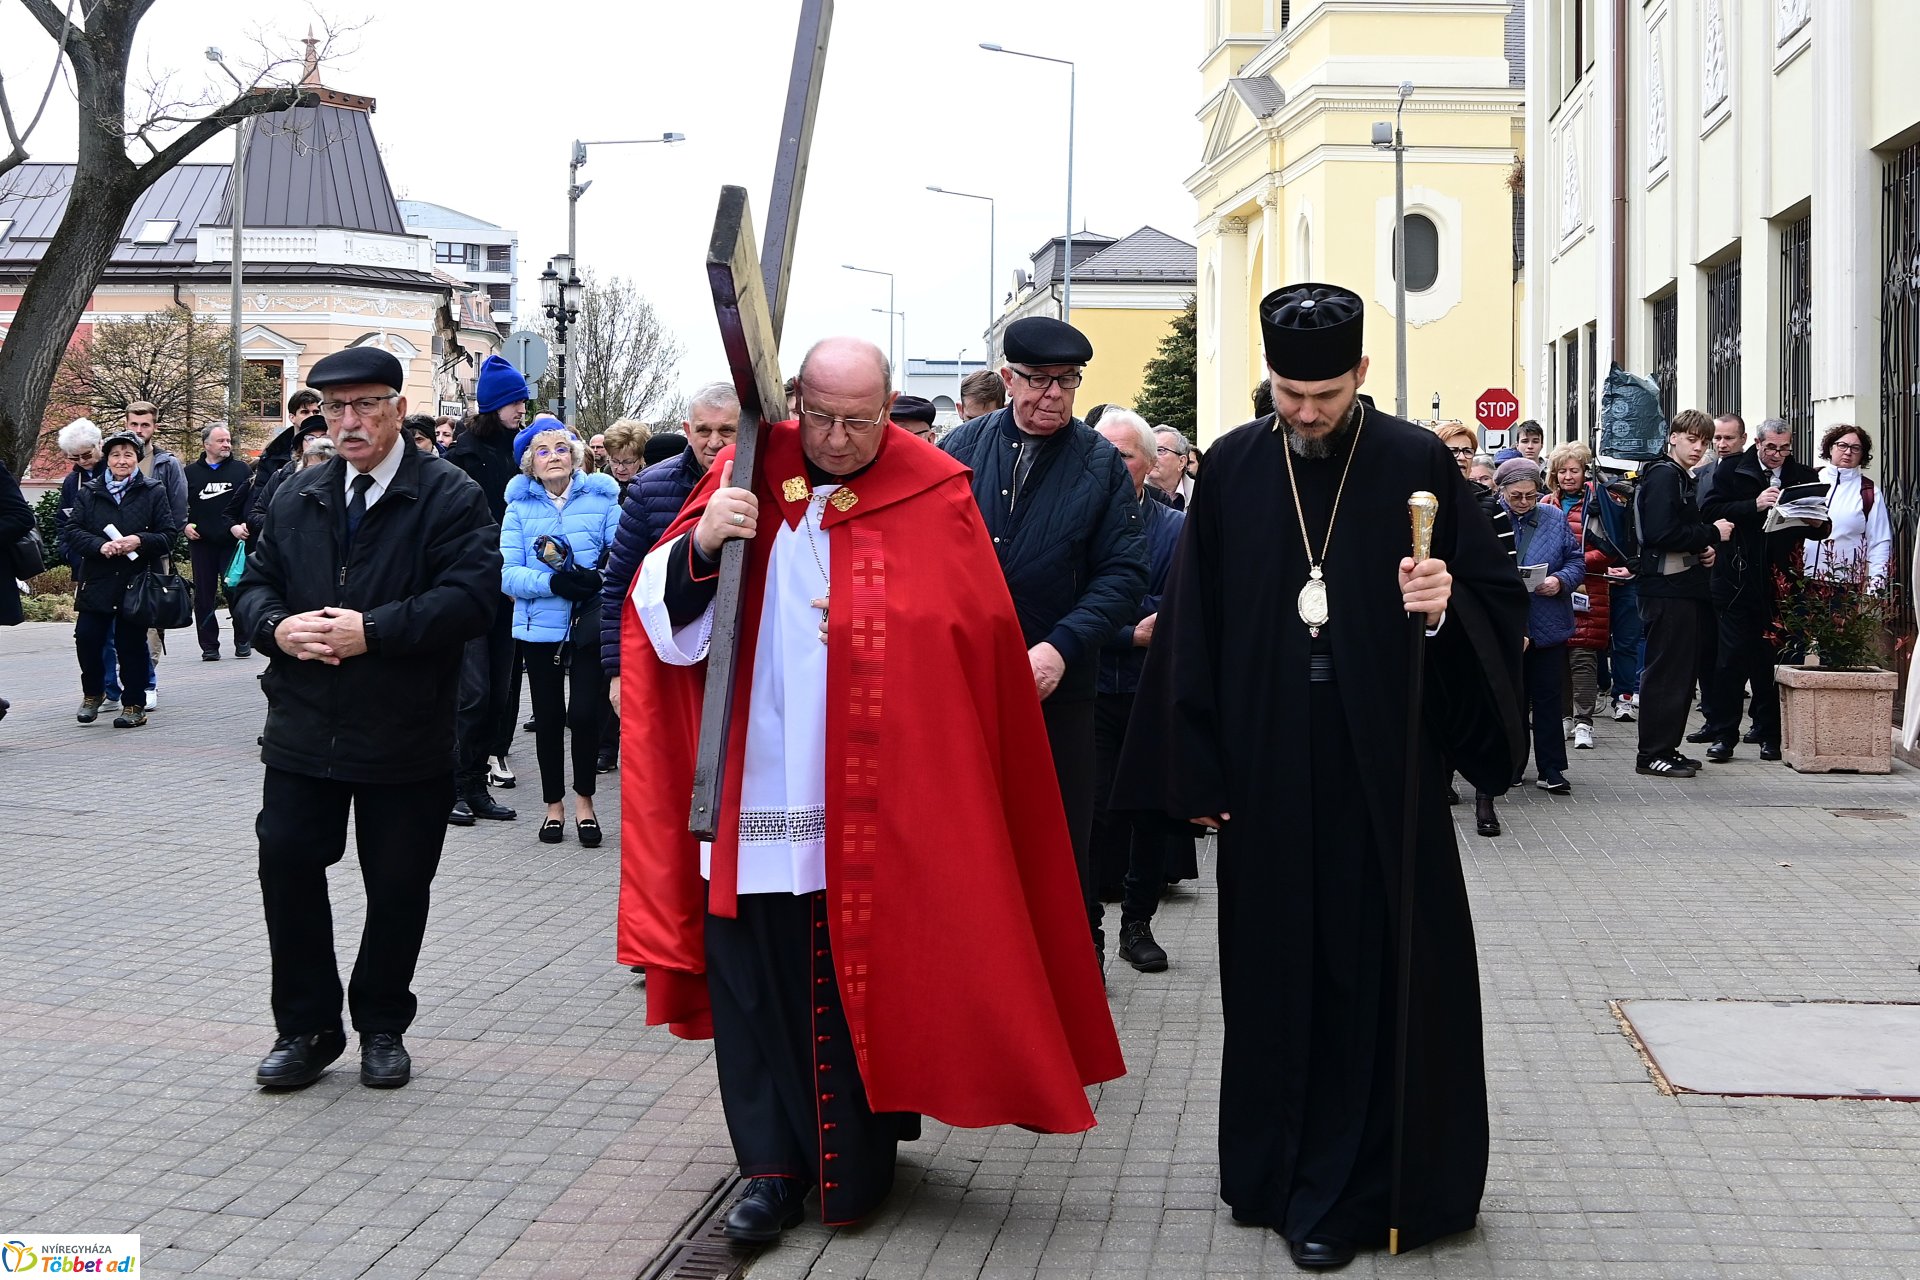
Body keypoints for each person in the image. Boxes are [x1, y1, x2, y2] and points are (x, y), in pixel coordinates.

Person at [618, 336, 1123, 1243]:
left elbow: (972, 630)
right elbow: (658, 614)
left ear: (890, 409)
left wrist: (875, 622)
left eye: (860, 421)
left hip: (876, 790)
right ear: (794, 402)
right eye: (821, 418)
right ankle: (769, 1169)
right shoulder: (747, 468)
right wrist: (704, 540)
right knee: (753, 978)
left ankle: (856, 1155)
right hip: (755, 778)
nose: (839, 439)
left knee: (857, 974)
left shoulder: (930, 486)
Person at [1117, 281, 1525, 1269]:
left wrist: (1441, 605)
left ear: (1362, 375)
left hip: (1382, 759)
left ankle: (1359, 1187)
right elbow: (1196, 621)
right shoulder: (1234, 465)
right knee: (1272, 970)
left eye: (1325, 396)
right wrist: (1196, 767)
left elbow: (1491, 600)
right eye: (1289, 393)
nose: (1304, 412)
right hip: (1264, 759)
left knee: (1370, 967)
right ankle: (1273, 1172)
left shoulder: (1415, 461)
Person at [231, 345, 500, 1092]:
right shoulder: (299, 492)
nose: (347, 422)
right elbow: (252, 584)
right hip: (303, 725)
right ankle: (307, 1028)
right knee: (286, 865)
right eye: (334, 408)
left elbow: (473, 598)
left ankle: (382, 1023)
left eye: (365, 406)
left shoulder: (448, 494)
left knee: (399, 884)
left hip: (404, 729)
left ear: (398, 409)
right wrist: (276, 627)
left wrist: (372, 631)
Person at [940, 317, 1149, 962]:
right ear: (1008, 379)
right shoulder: (959, 449)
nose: (1053, 394)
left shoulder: (1099, 463)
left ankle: (1071, 963)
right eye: (1038, 380)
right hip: (964, 681)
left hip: (1060, 685)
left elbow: (1124, 573)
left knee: (1058, 836)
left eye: (1067, 381)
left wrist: (1062, 645)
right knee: (967, 834)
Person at [1088, 409, 1184, 973]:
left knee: (1150, 811)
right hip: (1091, 690)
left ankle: (1137, 925)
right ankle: (1088, 935)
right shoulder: (1076, 520)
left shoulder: (1175, 529)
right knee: (1092, 815)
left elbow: (1180, 603)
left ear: (1151, 463)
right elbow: (1063, 604)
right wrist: (1126, 629)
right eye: (1102, 451)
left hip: (1151, 693)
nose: (1111, 463)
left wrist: (1108, 613)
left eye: (1123, 455)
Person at [501, 423, 620, 844]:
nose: (553, 456)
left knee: (585, 715)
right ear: (530, 465)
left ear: (575, 456)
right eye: (543, 451)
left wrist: (595, 579)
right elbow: (508, 575)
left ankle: (585, 802)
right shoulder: (518, 509)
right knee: (548, 718)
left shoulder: (603, 499)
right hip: (539, 628)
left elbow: (623, 556)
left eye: (561, 448)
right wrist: (552, 583)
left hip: (590, 624)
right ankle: (554, 806)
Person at [600, 382, 741, 705]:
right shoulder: (648, 489)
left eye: (727, 430)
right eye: (704, 430)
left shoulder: (770, 481)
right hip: (669, 655)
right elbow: (620, 584)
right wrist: (618, 671)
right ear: (688, 431)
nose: (714, 442)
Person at [1699, 418, 1827, 762]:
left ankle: (1770, 734)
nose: (1777, 455)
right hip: (1736, 579)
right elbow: (1709, 511)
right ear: (1757, 443)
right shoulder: (1731, 469)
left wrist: (1817, 523)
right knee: (1730, 660)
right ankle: (1724, 735)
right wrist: (1753, 505)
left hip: (1780, 584)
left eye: (1784, 448)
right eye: (1771, 447)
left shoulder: (1802, 475)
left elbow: (1820, 526)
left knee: (1773, 662)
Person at [446, 354, 532, 823]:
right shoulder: (460, 458)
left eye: (522, 402)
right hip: (470, 588)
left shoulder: (522, 456)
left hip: (510, 590)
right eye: (515, 402)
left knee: (500, 691)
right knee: (472, 692)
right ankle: (454, 786)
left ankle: (477, 784)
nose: (522, 409)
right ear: (493, 405)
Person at [1634, 410, 1734, 778]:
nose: (1698, 448)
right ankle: (1652, 754)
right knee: (1667, 674)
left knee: (1678, 674)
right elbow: (1661, 532)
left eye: (1704, 442)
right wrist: (1711, 533)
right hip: (1668, 590)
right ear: (1673, 436)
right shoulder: (1664, 475)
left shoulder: (1675, 474)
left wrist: (1700, 547)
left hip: (1679, 588)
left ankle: (1665, 748)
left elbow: (1674, 531)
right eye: (1692, 439)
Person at [65, 432, 178, 728]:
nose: (121, 461)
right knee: (87, 638)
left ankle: (134, 704)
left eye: (128, 455)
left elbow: (168, 535)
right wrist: (99, 546)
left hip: (135, 581)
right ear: (107, 459)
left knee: (131, 644)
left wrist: (139, 540)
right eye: (116, 455)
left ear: (137, 458)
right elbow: (73, 530)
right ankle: (93, 693)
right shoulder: (90, 491)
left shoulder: (153, 490)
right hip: (98, 578)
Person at [1498, 458, 1582, 794]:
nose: (1524, 502)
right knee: (1512, 700)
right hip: (1508, 625)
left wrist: (1560, 581)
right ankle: (1513, 765)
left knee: (1548, 698)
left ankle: (1552, 768)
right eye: (1516, 496)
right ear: (1502, 491)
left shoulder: (1553, 517)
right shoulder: (1491, 518)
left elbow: (1575, 560)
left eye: (1531, 495)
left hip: (1548, 621)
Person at [1546, 443, 1611, 751]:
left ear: (1585, 472)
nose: (1568, 476)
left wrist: (1575, 564)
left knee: (1583, 657)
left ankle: (1584, 721)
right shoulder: (1545, 503)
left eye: (1574, 470)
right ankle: (1564, 717)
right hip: (1553, 589)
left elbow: (1610, 549)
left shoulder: (1600, 504)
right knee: (1558, 658)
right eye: (1562, 471)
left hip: (1589, 588)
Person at [183, 423, 252, 660]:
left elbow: (251, 502)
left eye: (228, 440)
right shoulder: (190, 473)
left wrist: (245, 524)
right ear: (206, 444)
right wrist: (184, 526)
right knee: (204, 596)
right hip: (202, 543)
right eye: (221, 441)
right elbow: (179, 505)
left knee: (236, 591)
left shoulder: (241, 470)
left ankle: (243, 638)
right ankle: (209, 646)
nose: (226, 445)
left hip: (232, 544)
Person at [1807, 424, 1893, 589]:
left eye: (1855, 448)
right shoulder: (1810, 480)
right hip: (1800, 580)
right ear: (1830, 448)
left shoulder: (1869, 492)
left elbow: (1879, 542)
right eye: (1842, 445)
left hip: (1845, 587)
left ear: (1862, 455)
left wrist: (1875, 588)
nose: (1848, 452)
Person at [1148, 427, 1193, 508]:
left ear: (1181, 462)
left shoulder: (1202, 492)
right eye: (1149, 450)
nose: (1151, 456)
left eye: (1160, 450)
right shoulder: (1133, 491)